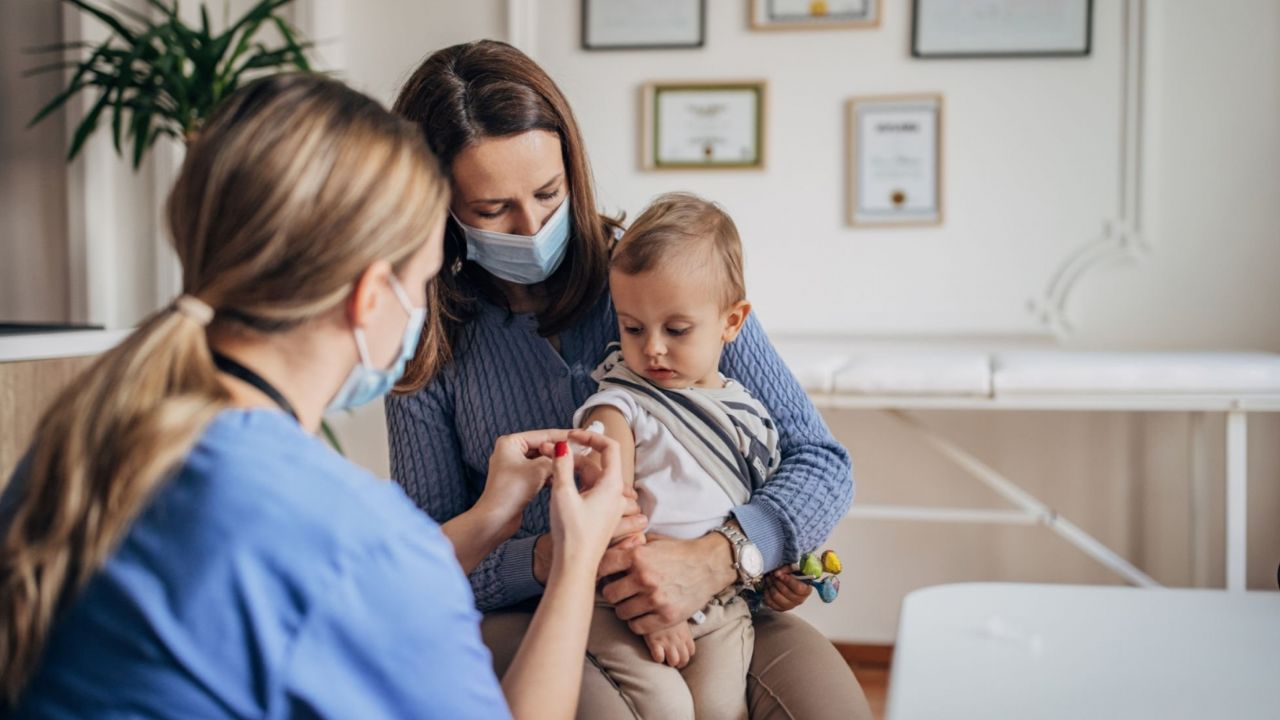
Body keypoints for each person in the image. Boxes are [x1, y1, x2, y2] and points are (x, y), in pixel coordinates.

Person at [0, 74, 625, 719]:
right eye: (427, 278)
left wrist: (489, 518)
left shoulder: (86, 444)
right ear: (372, 296)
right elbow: (352, 572)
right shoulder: (350, 537)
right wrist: (576, 558)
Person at [387, 40, 873, 719]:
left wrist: (723, 555)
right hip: (529, 615)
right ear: (436, 208)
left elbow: (821, 462)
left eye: (548, 193)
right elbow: (421, 567)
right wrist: (549, 556)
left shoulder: (666, 285)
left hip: (714, 602)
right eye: (494, 210)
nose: (531, 228)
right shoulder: (425, 342)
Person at [574, 192, 825, 720]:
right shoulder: (618, 407)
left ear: (732, 322)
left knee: (718, 707)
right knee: (662, 707)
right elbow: (602, 519)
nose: (653, 349)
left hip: (722, 607)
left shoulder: (751, 413)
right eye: (633, 328)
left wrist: (779, 574)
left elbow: (769, 499)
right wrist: (648, 611)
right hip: (619, 603)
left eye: (677, 329)